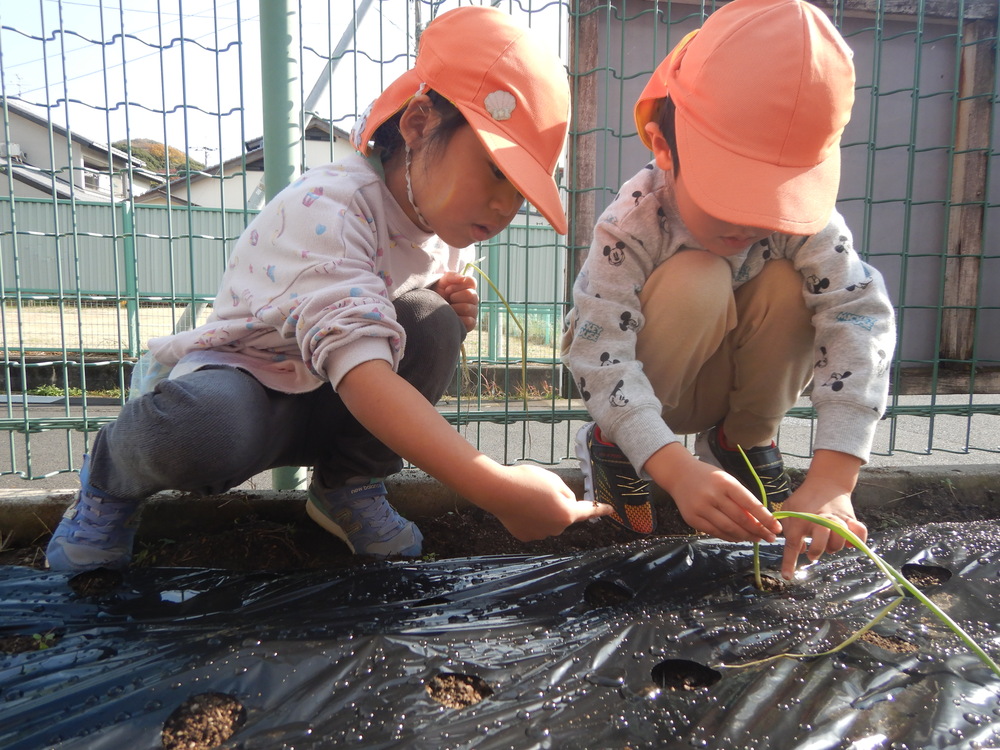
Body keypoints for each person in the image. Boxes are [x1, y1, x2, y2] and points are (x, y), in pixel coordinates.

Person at [46, 6, 612, 573]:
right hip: (247, 390)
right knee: (205, 429)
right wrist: (498, 489)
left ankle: (347, 487)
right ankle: (109, 478)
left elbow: (385, 332)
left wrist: (440, 304)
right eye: (494, 170)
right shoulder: (332, 206)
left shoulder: (440, 223)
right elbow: (364, 376)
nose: (504, 206)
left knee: (433, 317)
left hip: (326, 399)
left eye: (521, 192)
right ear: (418, 124)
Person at [561, 0, 896, 579]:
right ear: (664, 148)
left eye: (777, 201)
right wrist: (672, 468)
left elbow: (857, 316)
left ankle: (741, 443)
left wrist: (833, 479)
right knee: (700, 276)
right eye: (733, 193)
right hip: (650, 392)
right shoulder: (633, 222)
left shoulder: (809, 225)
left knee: (791, 285)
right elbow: (600, 353)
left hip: (731, 390)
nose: (753, 223)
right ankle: (618, 450)